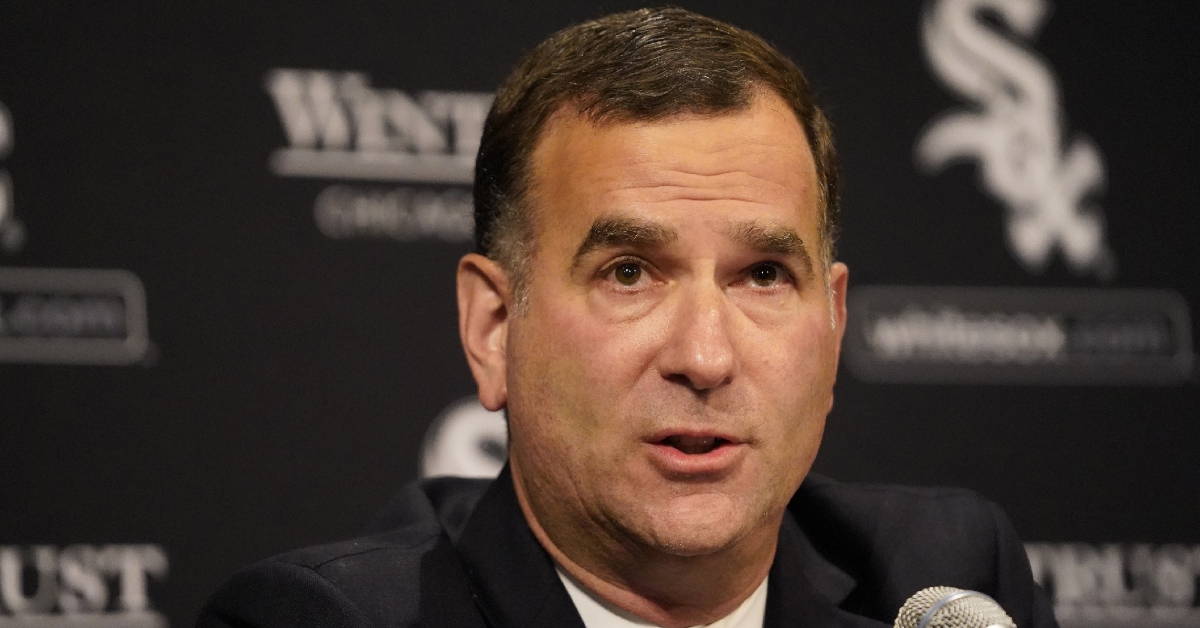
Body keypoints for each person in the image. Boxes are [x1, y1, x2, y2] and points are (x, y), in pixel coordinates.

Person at [199, 8, 1058, 628]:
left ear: (832, 326)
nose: (705, 356)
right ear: (494, 328)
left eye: (763, 275)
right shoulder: (329, 621)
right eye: (630, 273)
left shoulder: (946, 586)